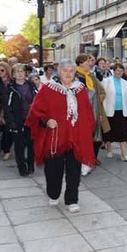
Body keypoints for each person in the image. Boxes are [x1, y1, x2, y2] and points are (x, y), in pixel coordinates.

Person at [26, 58, 95, 212]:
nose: (68, 74)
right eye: (65, 70)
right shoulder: (48, 88)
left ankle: (72, 199)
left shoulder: (80, 89)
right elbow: (35, 112)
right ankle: (53, 193)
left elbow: (88, 113)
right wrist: (46, 121)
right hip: (55, 137)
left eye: (71, 71)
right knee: (53, 170)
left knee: (74, 170)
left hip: (75, 137)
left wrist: (86, 131)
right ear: (59, 71)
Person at [75, 54, 110, 175]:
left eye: (90, 61)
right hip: (81, 112)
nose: (90, 63)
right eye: (87, 61)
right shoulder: (75, 76)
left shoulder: (91, 76)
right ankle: (82, 161)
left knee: (96, 137)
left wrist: (98, 101)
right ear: (80, 63)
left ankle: (92, 158)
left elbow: (101, 90)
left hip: (94, 110)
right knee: (83, 138)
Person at [4, 64, 38, 177]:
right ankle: (22, 167)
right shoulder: (10, 88)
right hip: (18, 120)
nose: (19, 73)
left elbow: (38, 101)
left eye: (22, 71)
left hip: (31, 119)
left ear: (25, 73)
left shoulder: (31, 86)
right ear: (13, 74)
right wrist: (11, 123)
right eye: (17, 72)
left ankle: (31, 164)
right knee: (19, 146)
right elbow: (7, 107)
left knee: (31, 144)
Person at [101, 63, 127, 161]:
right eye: (117, 70)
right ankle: (109, 150)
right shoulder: (106, 81)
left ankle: (124, 154)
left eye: (121, 71)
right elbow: (102, 97)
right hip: (109, 111)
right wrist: (101, 112)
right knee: (109, 132)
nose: (119, 72)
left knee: (123, 132)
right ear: (113, 71)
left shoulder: (125, 82)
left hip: (122, 111)